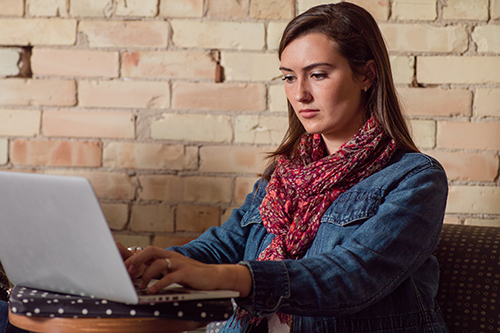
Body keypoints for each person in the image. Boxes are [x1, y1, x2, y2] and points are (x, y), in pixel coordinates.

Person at [122, 3, 449, 332]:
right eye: (289, 78)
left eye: (318, 75)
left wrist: (236, 278)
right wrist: (149, 264)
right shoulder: (282, 177)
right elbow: (225, 245)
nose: (300, 94)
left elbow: (356, 274)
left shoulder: (415, 178)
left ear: (366, 74)